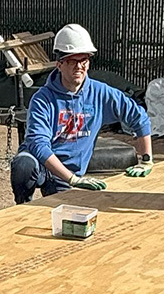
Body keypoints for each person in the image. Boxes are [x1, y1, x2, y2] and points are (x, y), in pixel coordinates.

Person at [10, 23, 154, 204]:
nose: (79, 66)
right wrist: (73, 180)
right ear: (59, 64)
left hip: (70, 172)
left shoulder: (100, 93)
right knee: (23, 165)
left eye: (83, 60)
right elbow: (38, 144)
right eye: (72, 61)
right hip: (42, 164)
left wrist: (147, 160)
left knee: (64, 215)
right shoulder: (42, 99)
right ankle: (22, 207)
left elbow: (138, 116)